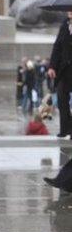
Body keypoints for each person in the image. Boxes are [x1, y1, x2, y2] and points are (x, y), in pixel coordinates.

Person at [48, 11, 72, 139]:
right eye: (68, 9)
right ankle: (65, 129)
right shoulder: (64, 25)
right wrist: (52, 66)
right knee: (62, 99)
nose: (70, 11)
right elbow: (57, 47)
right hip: (63, 69)